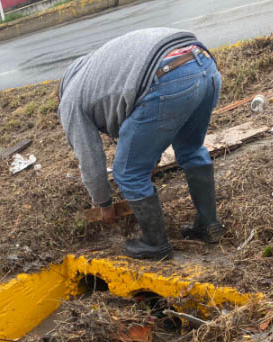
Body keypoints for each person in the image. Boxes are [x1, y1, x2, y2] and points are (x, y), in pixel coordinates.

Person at [59, 28, 224, 260]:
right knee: (192, 150)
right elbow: (143, 123)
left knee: (127, 172)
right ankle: (209, 225)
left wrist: (103, 204)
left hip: (168, 75)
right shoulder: (99, 70)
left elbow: (90, 159)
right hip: (204, 64)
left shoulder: (71, 99)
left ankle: (155, 244)